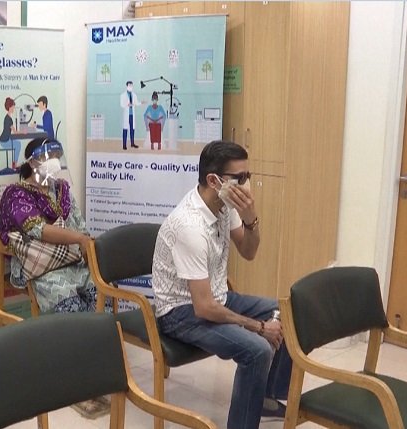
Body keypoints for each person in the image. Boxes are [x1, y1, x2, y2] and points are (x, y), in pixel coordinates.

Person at [152, 140, 291, 429]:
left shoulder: (225, 206)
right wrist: (259, 327)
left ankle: (266, 398)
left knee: (289, 312)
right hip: (180, 312)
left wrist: (251, 220)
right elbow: (203, 308)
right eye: (239, 178)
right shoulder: (190, 227)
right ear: (214, 181)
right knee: (258, 349)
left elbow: (249, 252)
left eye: (248, 176)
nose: (246, 185)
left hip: (216, 296)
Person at [0, 138, 104, 314]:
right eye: (47, 156)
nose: (54, 161)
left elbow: (80, 225)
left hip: (72, 259)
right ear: (32, 162)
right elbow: (38, 229)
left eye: (56, 156)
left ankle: (99, 331)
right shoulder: (16, 194)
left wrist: (86, 245)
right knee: (71, 307)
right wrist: (78, 239)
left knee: (101, 294)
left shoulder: (62, 190)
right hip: (42, 266)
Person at [0, 97, 22, 169]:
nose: (14, 109)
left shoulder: (7, 117)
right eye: (13, 107)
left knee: (17, 143)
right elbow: (15, 132)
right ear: (9, 107)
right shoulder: (9, 119)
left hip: (4, 140)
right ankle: (15, 164)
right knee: (18, 144)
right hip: (4, 142)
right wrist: (23, 132)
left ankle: (14, 163)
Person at [119, 80, 144, 150]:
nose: (130, 87)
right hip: (126, 115)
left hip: (132, 114)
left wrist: (141, 103)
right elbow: (121, 104)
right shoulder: (123, 95)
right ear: (127, 86)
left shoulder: (134, 95)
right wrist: (127, 104)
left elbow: (136, 103)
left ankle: (132, 143)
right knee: (125, 129)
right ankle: (124, 145)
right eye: (129, 85)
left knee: (132, 129)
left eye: (131, 86)